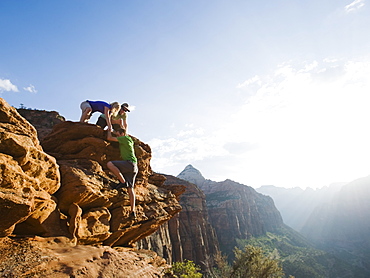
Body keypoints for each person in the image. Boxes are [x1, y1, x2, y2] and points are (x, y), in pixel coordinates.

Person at [107, 128, 138, 219]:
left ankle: (122, 182)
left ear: (122, 133)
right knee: (130, 189)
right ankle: (133, 211)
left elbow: (109, 138)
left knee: (110, 164)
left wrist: (109, 129)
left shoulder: (123, 138)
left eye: (117, 134)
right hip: (134, 167)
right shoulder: (130, 140)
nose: (117, 135)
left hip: (129, 164)